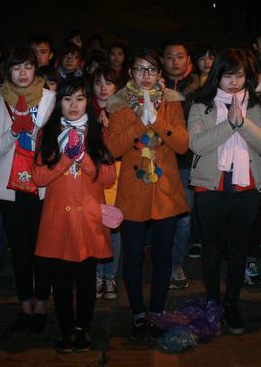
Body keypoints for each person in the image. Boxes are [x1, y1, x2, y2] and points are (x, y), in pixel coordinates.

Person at [188, 48, 261, 334]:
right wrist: (229, 125)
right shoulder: (202, 105)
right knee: (212, 251)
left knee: (239, 252)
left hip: (247, 188)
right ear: (217, 76)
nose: (233, 82)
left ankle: (232, 302)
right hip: (210, 187)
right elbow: (197, 145)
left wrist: (243, 123)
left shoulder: (256, 105)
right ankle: (213, 301)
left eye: (238, 76)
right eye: (227, 76)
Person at [105, 48, 189, 340]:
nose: (145, 75)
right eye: (140, 69)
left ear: (159, 74)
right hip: (133, 189)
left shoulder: (171, 101)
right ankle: (139, 314)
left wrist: (157, 120)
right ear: (131, 72)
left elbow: (182, 144)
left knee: (163, 255)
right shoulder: (118, 103)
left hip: (164, 190)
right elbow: (114, 147)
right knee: (132, 255)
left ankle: (156, 311)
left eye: (151, 70)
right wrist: (142, 120)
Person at [34, 78, 116, 352]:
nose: (73, 105)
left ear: (87, 102)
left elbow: (108, 176)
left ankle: (83, 328)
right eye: (67, 98)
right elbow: (38, 177)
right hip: (58, 218)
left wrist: (83, 159)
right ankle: (67, 328)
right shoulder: (47, 133)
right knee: (60, 278)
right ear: (59, 102)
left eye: (80, 98)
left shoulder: (98, 132)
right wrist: (66, 159)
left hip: (87, 218)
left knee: (85, 278)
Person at [0, 45, 56, 333]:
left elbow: (55, 145)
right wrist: (14, 130)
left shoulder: (50, 99)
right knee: (20, 249)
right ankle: (25, 304)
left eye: (27, 66)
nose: (22, 73)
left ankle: (42, 303)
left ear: (35, 68)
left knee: (43, 248)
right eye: (16, 68)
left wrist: (35, 131)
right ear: (8, 71)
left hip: (42, 186)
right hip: (9, 187)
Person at [161, 41, 199, 290]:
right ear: (162, 61)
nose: (175, 61)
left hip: (186, 161)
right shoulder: (154, 86)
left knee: (184, 217)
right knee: (161, 215)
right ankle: (161, 262)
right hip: (159, 159)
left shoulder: (200, 89)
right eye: (170, 56)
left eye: (180, 56)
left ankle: (176, 263)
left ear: (188, 60)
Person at [91, 66, 122, 300]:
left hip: (115, 172)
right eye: (98, 82)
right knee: (93, 224)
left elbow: (123, 146)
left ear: (116, 87)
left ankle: (110, 276)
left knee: (112, 226)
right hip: (90, 174)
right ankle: (96, 275)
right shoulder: (84, 109)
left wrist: (110, 128)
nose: (103, 87)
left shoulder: (122, 110)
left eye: (108, 83)